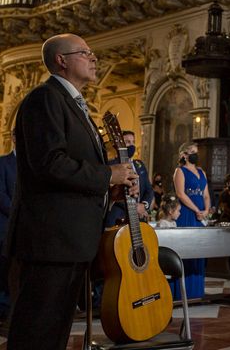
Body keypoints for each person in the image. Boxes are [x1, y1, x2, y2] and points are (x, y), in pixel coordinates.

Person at [6, 33, 137, 350]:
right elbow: (50, 164)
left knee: (55, 332)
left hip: (72, 240)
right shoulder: (45, 99)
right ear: (61, 61)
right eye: (84, 52)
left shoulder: (77, 106)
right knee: (36, 333)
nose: (93, 58)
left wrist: (110, 193)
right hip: (50, 242)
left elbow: (72, 173)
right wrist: (108, 174)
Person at [172, 141, 211, 299]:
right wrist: (196, 210)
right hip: (188, 213)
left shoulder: (201, 172)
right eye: (192, 152)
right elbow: (181, 194)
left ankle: (196, 291)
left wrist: (206, 210)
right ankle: (182, 292)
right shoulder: (180, 171)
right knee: (186, 250)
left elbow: (206, 194)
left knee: (199, 251)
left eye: (197, 152)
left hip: (201, 214)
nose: (196, 155)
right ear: (184, 155)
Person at [104, 130, 154, 226]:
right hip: (118, 216)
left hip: (139, 217)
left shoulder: (139, 164)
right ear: (119, 145)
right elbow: (109, 194)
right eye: (127, 142)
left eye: (133, 142)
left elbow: (149, 190)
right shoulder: (111, 165)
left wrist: (143, 206)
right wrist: (133, 207)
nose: (131, 145)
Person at [0, 129, 16, 319]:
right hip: (5, 226)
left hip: (28, 228)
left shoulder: (33, 164)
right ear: (13, 139)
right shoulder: (3, 162)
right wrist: (17, 212)